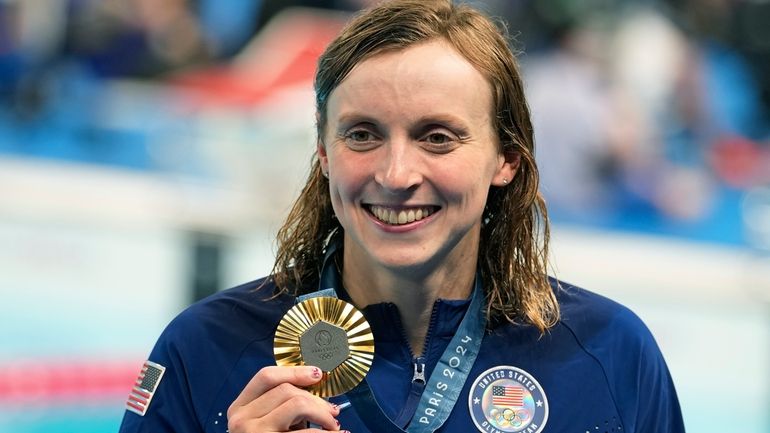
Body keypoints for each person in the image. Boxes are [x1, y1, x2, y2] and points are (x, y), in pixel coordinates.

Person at [118, 1, 685, 432]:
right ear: (323, 153)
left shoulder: (610, 354)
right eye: (362, 134)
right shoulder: (205, 348)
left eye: (437, 137)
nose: (394, 174)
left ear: (505, 159)